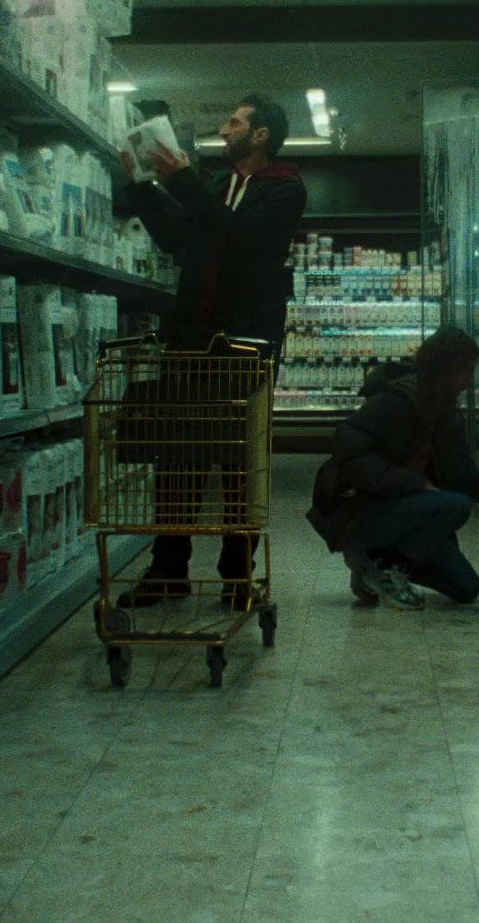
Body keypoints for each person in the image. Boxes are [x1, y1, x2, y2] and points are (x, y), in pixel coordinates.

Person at [114, 95, 307, 608]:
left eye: (234, 123)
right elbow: (178, 238)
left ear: (260, 134)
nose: (224, 131)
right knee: (177, 457)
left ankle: (237, 574)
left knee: (238, 460)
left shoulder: (284, 189)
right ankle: (168, 568)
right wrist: (140, 185)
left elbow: (243, 238)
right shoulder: (220, 187)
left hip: (244, 343)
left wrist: (181, 180)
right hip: (191, 339)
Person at [306, 327, 479, 609]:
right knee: (455, 505)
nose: (469, 382)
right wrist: (414, 483)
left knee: (465, 586)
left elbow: (467, 482)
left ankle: (376, 568)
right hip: (363, 511)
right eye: (466, 371)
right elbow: (347, 447)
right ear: (445, 370)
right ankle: (374, 560)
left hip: (406, 511)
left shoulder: (446, 416)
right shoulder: (397, 400)